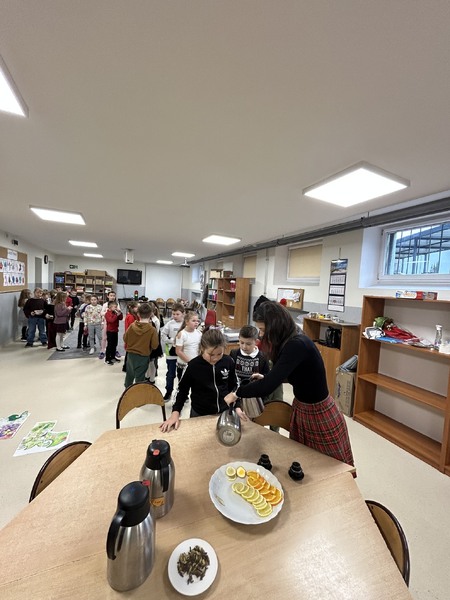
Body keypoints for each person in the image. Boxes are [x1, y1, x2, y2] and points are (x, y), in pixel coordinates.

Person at [224, 301, 354, 466]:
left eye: (263, 330)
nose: (261, 335)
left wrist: (236, 393)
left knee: (328, 465)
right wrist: (268, 377)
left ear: (275, 326)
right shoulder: (290, 340)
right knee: (306, 460)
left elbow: (267, 387)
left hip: (317, 411)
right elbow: (293, 373)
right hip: (303, 407)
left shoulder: (296, 344)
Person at [159, 329, 246, 433]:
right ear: (202, 349)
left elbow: (235, 386)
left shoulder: (228, 361)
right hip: (199, 413)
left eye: (219, 354)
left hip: (225, 412)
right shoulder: (193, 366)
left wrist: (237, 407)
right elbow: (182, 391)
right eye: (211, 354)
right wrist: (175, 414)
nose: (215, 358)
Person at [123, 302, 159, 388]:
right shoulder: (152, 329)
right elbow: (155, 345)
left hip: (131, 355)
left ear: (138, 314)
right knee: (140, 377)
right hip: (143, 356)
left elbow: (125, 339)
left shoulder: (132, 326)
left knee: (129, 375)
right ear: (150, 314)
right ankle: (138, 392)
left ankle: (127, 391)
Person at [160, 302, 185, 401]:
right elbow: (163, 335)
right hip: (171, 354)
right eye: (173, 314)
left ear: (183, 313)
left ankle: (183, 393)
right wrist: (171, 340)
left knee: (182, 375)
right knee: (170, 374)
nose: (175, 316)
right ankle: (168, 391)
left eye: (177, 314)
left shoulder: (186, 324)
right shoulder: (170, 324)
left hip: (182, 355)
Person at [175, 310, 202, 380]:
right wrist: (190, 362)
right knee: (183, 385)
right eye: (193, 321)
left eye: (197, 321)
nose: (196, 323)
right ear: (187, 322)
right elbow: (178, 351)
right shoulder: (182, 334)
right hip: (184, 365)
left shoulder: (199, 333)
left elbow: (200, 348)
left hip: (195, 364)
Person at [100, 291, 119, 360]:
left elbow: (118, 312)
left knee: (114, 339)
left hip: (114, 323)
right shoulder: (105, 304)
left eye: (114, 296)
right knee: (104, 337)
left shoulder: (117, 304)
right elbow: (101, 313)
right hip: (106, 322)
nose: (112, 297)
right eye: (111, 295)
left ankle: (114, 351)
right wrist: (109, 311)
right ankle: (102, 351)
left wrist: (116, 311)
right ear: (108, 296)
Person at [104, 300, 123, 365]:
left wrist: (120, 313)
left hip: (115, 331)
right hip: (110, 331)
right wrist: (116, 315)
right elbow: (111, 320)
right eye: (115, 307)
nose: (116, 308)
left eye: (116, 307)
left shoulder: (115, 313)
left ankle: (113, 357)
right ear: (110, 307)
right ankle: (107, 359)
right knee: (110, 345)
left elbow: (121, 318)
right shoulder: (107, 314)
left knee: (114, 345)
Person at [123, 300, 140, 372]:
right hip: (131, 337)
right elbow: (132, 328)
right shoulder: (131, 317)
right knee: (129, 353)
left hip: (132, 336)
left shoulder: (134, 315)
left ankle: (128, 366)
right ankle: (126, 367)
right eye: (137, 307)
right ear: (132, 308)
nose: (138, 308)